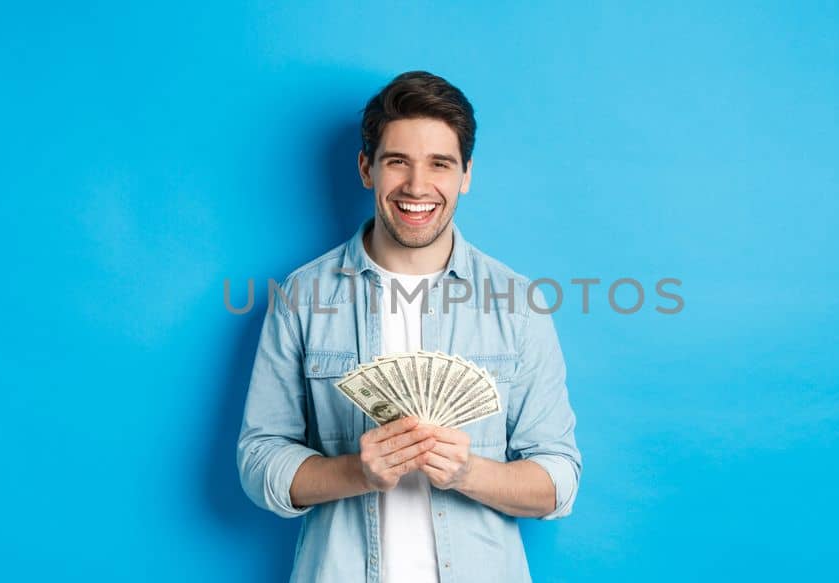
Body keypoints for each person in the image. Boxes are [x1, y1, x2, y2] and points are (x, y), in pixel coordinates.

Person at [236, 70, 581, 583]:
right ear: (366, 168)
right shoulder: (301, 297)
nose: (418, 187)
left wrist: (468, 473)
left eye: (439, 164)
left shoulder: (518, 304)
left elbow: (558, 482)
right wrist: (357, 471)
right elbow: (259, 460)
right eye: (398, 161)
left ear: (465, 174)